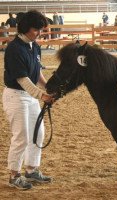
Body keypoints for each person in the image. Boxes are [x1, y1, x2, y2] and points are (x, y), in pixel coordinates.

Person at [2, 10, 54, 190]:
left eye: (41, 29)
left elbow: (36, 71)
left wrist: (47, 87)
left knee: (37, 134)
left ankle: (31, 170)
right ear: (25, 28)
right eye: (36, 29)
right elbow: (22, 79)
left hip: (30, 96)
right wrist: (42, 95)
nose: (39, 33)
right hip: (16, 96)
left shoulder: (35, 46)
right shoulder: (14, 49)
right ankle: (14, 175)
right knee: (21, 136)